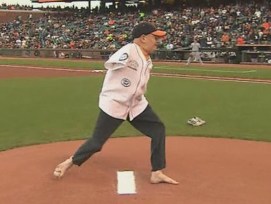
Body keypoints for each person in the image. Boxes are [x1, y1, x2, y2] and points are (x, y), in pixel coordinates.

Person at [53, 22, 179, 185]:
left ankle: (157, 172)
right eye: (155, 38)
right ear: (142, 38)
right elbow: (113, 61)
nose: (157, 41)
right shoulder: (129, 50)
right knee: (97, 143)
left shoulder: (147, 59)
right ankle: (68, 162)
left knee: (158, 129)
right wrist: (116, 63)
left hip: (136, 104)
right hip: (116, 103)